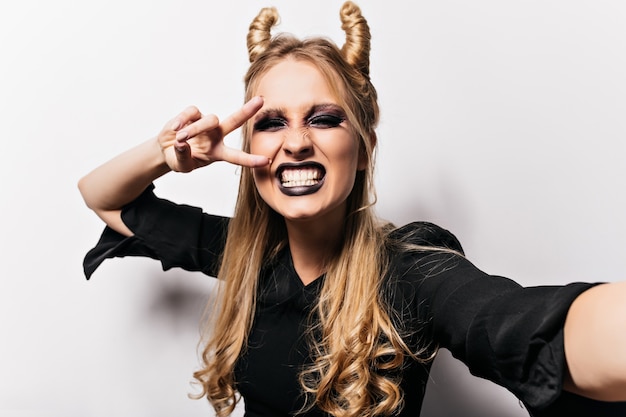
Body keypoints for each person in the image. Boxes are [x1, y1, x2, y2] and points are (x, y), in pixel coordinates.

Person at [78, 2, 626, 416]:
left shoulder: (413, 270)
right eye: (271, 122)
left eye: (323, 119)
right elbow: (101, 195)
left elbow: (521, 323)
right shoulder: (244, 255)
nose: (295, 143)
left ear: (362, 147)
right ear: (248, 151)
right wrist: (168, 154)